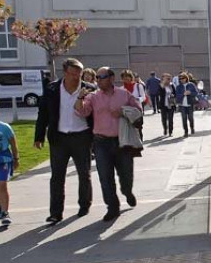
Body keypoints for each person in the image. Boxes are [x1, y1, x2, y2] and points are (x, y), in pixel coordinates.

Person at [34, 58, 96, 225]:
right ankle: (55, 213)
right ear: (65, 72)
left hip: (82, 137)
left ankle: (84, 205)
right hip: (59, 138)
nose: (77, 77)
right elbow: (43, 114)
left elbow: (96, 115)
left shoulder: (90, 89)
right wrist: (39, 136)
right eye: (73, 73)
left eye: (79, 73)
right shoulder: (52, 89)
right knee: (57, 177)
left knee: (84, 174)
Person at [75, 67, 141, 222]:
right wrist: (79, 98)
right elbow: (81, 112)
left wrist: (124, 111)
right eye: (96, 77)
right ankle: (112, 207)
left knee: (126, 175)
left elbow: (138, 110)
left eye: (101, 77)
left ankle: (127, 192)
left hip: (122, 142)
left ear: (111, 78)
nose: (97, 80)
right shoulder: (93, 97)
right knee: (105, 177)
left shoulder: (124, 94)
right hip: (101, 142)